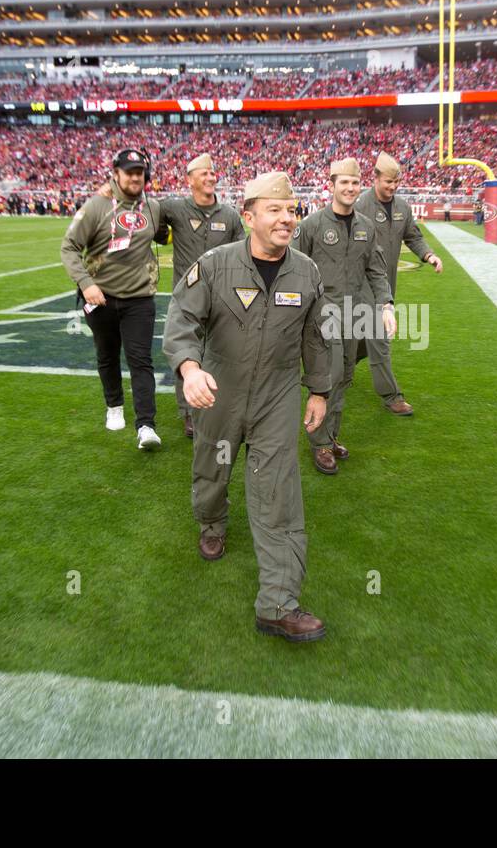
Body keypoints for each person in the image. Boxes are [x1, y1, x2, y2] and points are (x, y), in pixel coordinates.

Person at [162, 171, 332, 641]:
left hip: (277, 396)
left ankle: (278, 603)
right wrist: (190, 370)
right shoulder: (215, 265)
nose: (286, 219)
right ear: (249, 215)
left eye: (292, 210)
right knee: (213, 472)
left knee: (279, 491)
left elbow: (316, 337)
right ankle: (212, 521)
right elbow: (181, 321)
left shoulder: (306, 271)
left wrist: (318, 391)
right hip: (220, 390)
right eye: (275, 210)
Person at [60, 147, 167, 451]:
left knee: (141, 360)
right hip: (101, 297)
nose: (136, 177)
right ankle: (114, 405)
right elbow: (69, 248)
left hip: (139, 298)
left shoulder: (153, 207)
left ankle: (146, 425)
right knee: (107, 355)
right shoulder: (96, 206)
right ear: (116, 174)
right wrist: (85, 283)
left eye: (140, 172)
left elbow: (167, 232)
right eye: (130, 171)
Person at [293, 157, 395, 475]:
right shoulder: (311, 225)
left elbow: (376, 270)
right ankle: (319, 443)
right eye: (344, 183)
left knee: (345, 377)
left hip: (355, 314)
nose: (350, 188)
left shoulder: (366, 226)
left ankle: (330, 435)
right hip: (323, 316)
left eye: (354, 183)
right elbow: (293, 267)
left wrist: (386, 305)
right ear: (331, 186)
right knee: (330, 375)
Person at [154, 154, 245, 439]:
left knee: (220, 352)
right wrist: (159, 234)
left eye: (212, 173)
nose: (210, 178)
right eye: (203, 174)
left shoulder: (229, 215)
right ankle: (189, 413)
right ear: (190, 179)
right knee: (187, 354)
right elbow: (145, 210)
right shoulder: (174, 208)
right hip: (187, 299)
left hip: (221, 297)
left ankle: (219, 401)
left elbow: (243, 253)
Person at [352, 151, 443, 417]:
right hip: (363, 284)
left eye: (396, 183)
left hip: (387, 283)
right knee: (380, 337)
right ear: (375, 177)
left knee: (358, 340)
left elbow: (413, 236)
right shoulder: (359, 206)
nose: (392, 187)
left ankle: (337, 369)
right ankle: (392, 395)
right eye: (387, 182)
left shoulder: (403, 207)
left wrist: (429, 255)